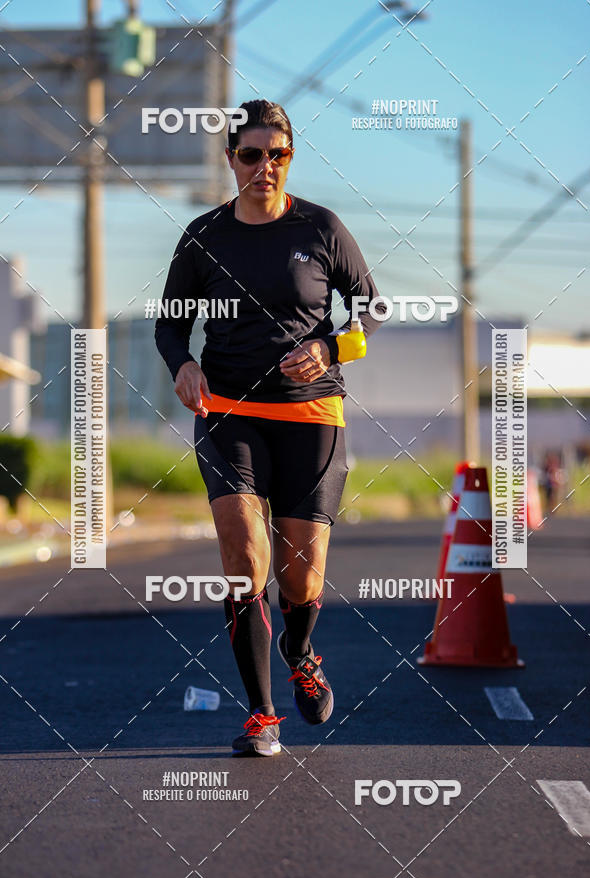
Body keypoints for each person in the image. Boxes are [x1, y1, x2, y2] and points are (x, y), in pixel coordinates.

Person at [156, 99, 383, 756]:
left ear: (290, 159)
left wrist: (334, 348)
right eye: (251, 155)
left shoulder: (322, 228)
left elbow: (372, 308)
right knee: (243, 559)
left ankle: (301, 648)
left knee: (302, 578)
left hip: (313, 414)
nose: (264, 167)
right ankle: (262, 714)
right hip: (228, 412)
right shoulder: (204, 236)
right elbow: (169, 323)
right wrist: (183, 364)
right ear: (231, 160)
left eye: (277, 155)